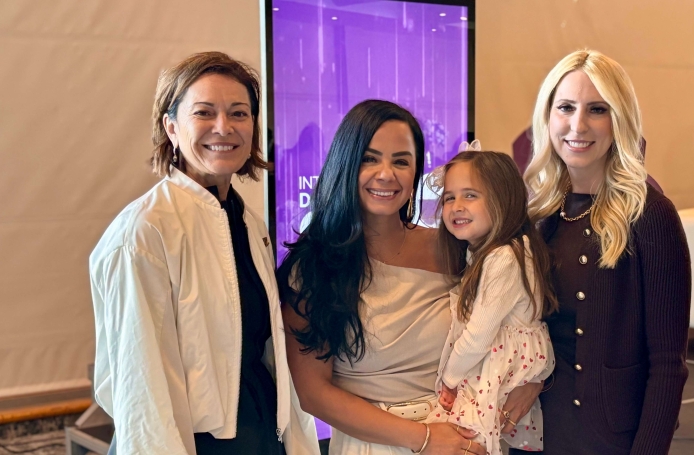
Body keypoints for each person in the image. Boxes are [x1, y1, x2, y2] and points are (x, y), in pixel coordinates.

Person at [278, 99, 543, 454]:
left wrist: (534, 379)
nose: (386, 173)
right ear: (345, 162)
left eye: (401, 161)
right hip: (376, 444)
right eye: (369, 158)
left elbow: (514, 317)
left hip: (464, 435)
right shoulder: (314, 266)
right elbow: (314, 394)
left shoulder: (452, 248)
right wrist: (426, 439)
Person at [89, 52, 317, 455]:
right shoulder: (145, 232)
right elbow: (142, 390)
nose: (223, 127)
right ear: (172, 127)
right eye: (204, 113)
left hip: (262, 432)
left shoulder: (247, 221)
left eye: (239, 113)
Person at [514, 49, 691, 454]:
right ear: (547, 116)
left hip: (607, 438)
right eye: (566, 107)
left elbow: (668, 365)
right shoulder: (533, 211)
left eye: (597, 109)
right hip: (529, 433)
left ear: (620, 119)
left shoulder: (650, 214)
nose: (578, 125)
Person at [423, 150, 556, 455]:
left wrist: (450, 380)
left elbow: (477, 336)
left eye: (470, 195)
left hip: (496, 366)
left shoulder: (503, 258)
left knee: (462, 437)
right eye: (449, 198)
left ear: (503, 199)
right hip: (504, 364)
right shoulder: (492, 252)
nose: (456, 207)